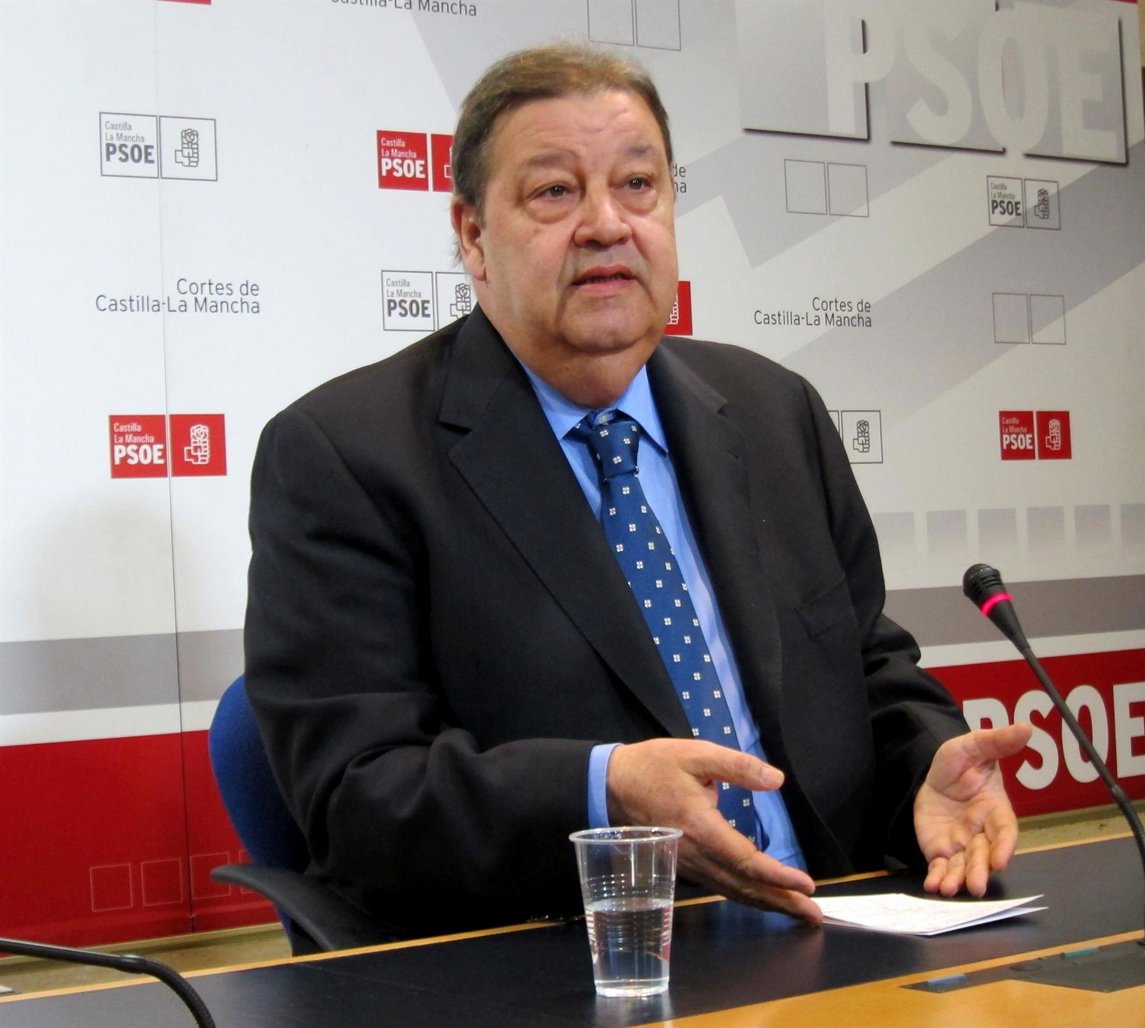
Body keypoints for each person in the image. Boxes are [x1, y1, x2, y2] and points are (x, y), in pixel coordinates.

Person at [244, 42, 1031, 939]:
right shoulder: (347, 455)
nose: (606, 224)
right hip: (575, 957)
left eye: (637, 185)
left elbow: (867, 668)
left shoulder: (774, 412)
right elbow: (357, 795)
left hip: (834, 929)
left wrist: (927, 764)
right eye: (554, 192)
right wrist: (605, 792)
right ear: (472, 236)